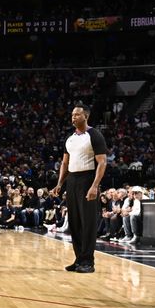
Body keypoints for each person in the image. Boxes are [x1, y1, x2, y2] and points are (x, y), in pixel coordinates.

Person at [51, 104, 107, 273]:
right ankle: (79, 260)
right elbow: (65, 163)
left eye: (77, 115)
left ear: (86, 116)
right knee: (75, 222)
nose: (73, 117)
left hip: (88, 178)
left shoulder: (94, 134)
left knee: (88, 222)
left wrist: (94, 186)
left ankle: (88, 262)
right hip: (72, 180)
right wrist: (60, 183)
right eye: (72, 115)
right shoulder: (70, 138)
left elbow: (102, 162)